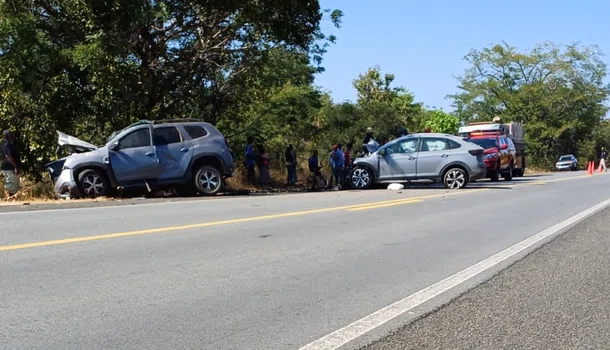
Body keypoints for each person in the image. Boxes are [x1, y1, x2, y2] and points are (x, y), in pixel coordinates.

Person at [2, 130, 21, 199]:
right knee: (11, 182)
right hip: (9, 167)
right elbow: (8, 157)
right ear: (7, 136)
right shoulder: (6, 145)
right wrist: (15, 166)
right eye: (11, 135)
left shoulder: (10, 144)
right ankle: (9, 197)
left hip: (12, 167)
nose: (13, 136)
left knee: (15, 183)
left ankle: (13, 197)